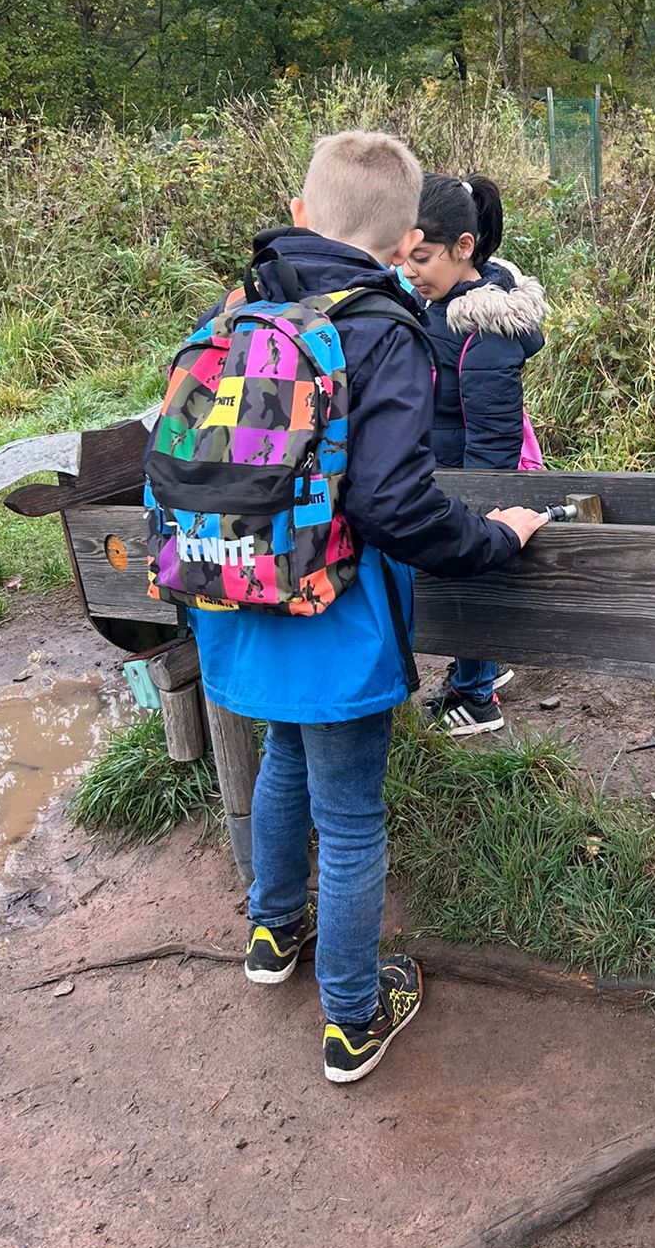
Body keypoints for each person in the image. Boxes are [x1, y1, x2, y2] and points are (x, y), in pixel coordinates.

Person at [185, 131, 547, 1086]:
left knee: (283, 758)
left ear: (300, 214)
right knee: (349, 818)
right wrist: (493, 540)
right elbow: (391, 503)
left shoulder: (239, 305)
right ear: (404, 241)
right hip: (332, 610)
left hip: (232, 588)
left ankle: (273, 935)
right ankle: (352, 1017)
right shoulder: (383, 329)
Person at [402, 172, 547, 736]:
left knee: (468, 573)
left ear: (464, 247)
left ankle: (475, 695)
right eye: (402, 256)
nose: (409, 271)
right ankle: (483, 666)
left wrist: (484, 508)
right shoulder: (438, 302)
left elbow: (492, 436)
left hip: (475, 470)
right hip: (443, 462)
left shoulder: (483, 329)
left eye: (421, 258)